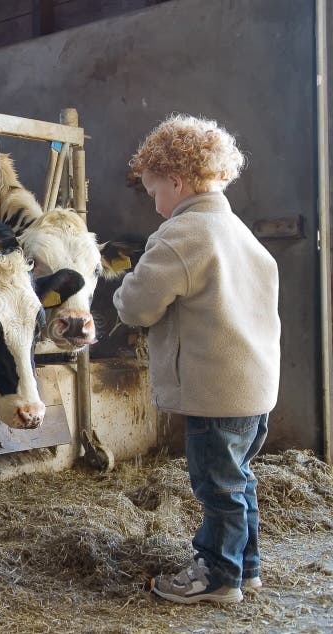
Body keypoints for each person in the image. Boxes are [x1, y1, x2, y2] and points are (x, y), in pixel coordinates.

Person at [113, 114, 280, 604]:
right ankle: (245, 567)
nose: (155, 204)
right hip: (254, 389)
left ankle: (218, 575)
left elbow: (139, 304)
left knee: (216, 487)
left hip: (216, 392)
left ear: (177, 182)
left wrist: (121, 294)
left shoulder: (183, 234)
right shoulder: (240, 232)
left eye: (153, 191)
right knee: (238, 481)